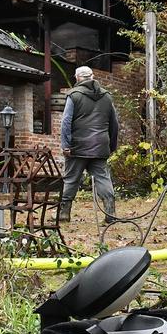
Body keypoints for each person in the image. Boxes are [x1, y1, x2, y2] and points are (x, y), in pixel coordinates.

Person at [59, 65, 120, 222]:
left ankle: (64, 214)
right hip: (100, 146)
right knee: (103, 178)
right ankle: (110, 214)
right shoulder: (107, 97)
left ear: (77, 78)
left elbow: (66, 122)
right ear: (92, 77)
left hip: (77, 147)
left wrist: (66, 145)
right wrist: (111, 146)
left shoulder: (74, 95)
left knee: (71, 179)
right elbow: (114, 124)